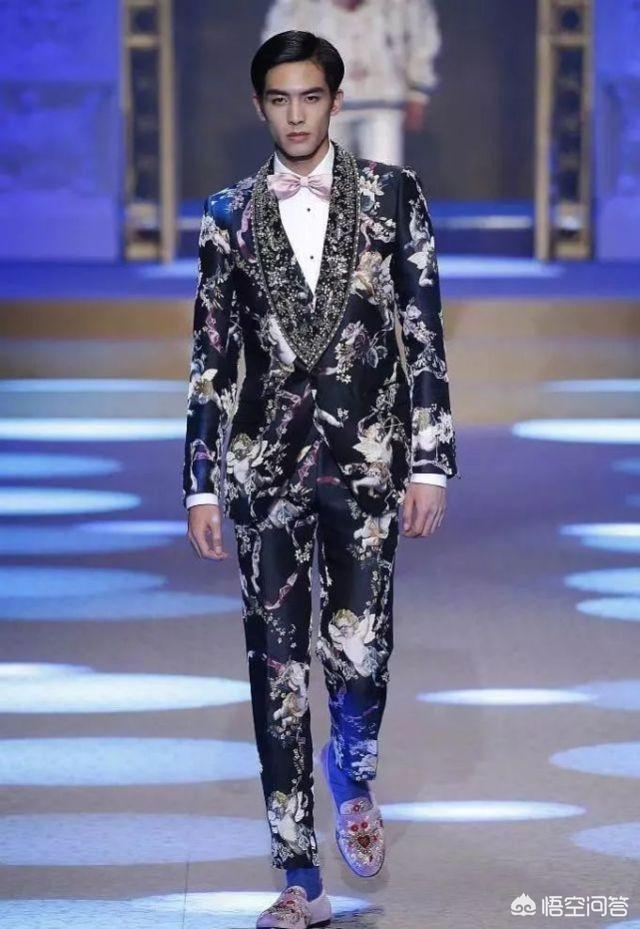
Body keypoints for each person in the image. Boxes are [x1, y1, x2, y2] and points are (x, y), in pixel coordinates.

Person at [182, 29, 458, 929]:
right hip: (262, 469)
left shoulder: (392, 194)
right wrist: (199, 481)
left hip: (369, 463)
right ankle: (300, 874)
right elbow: (210, 358)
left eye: (310, 97)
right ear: (259, 106)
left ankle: (354, 768)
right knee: (276, 667)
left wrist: (431, 460)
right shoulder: (227, 212)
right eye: (279, 99)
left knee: (361, 652)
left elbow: (423, 334)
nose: (296, 115)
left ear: (336, 101)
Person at [261, 0, 441, 164]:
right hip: (322, 105)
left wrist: (417, 93)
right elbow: (278, 52)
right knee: (326, 177)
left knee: (383, 178)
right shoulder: (295, 6)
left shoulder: (404, 5)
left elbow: (421, 44)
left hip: (383, 102)